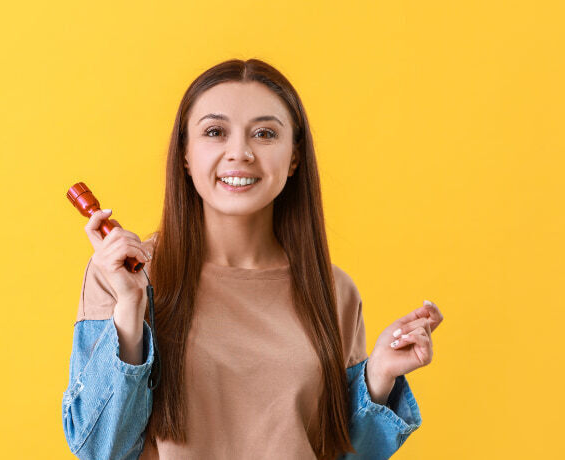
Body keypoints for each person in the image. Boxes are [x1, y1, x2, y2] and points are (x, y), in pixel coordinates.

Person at [62, 58, 444, 460]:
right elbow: (100, 449)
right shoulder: (124, 273)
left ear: (294, 157)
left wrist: (379, 377)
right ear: (186, 156)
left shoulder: (334, 290)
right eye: (215, 132)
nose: (239, 152)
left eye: (264, 133)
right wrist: (129, 311)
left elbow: (341, 452)